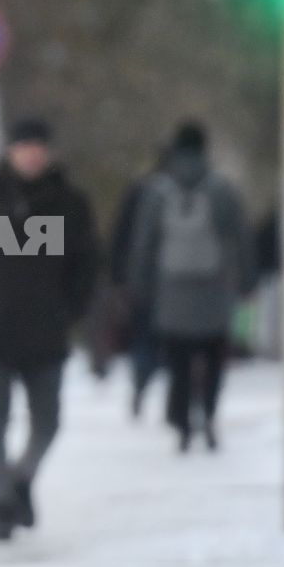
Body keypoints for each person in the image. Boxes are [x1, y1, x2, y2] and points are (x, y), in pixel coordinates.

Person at [0, 117, 98, 541]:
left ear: (49, 152)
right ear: (10, 151)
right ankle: (0, 501)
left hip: (47, 333)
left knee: (48, 422)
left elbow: (87, 267)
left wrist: (69, 312)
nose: (30, 153)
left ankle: (22, 478)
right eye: (23, 145)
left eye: (38, 146)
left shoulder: (70, 202)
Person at [129, 121, 250, 452]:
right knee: (212, 358)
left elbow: (144, 243)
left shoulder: (157, 191)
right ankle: (208, 414)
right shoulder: (221, 189)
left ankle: (182, 423)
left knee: (179, 362)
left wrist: (138, 285)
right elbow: (240, 237)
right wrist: (245, 281)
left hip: (171, 292)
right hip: (214, 290)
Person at [108, 149, 169, 418]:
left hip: (145, 281)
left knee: (144, 338)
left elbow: (121, 235)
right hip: (188, 285)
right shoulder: (205, 190)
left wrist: (119, 276)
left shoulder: (140, 190)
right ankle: (181, 404)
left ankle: (140, 384)